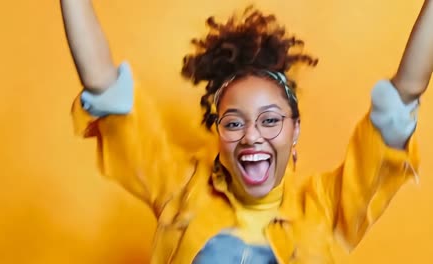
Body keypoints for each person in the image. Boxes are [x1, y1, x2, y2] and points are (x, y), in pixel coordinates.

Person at [61, 0, 432, 263]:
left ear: (295, 129)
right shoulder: (180, 186)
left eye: (270, 120)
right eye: (234, 122)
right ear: (218, 132)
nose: (252, 136)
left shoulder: (328, 206)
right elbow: (104, 87)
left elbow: (399, 101)